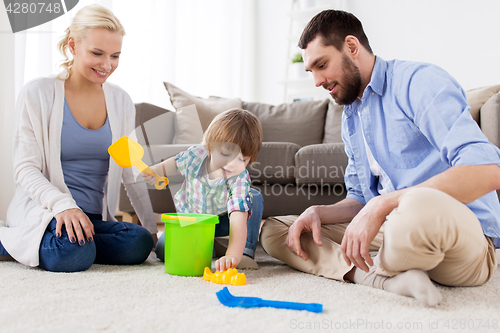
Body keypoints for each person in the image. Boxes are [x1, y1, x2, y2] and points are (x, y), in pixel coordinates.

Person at [260, 9, 500, 307]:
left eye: (322, 65)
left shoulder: (418, 82)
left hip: (458, 232)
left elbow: (488, 170)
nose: (318, 81)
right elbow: (361, 198)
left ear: (351, 46)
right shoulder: (351, 116)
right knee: (277, 231)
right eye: (311, 71)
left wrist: (384, 203)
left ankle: (379, 266)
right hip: (393, 226)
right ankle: (386, 278)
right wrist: (319, 212)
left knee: (413, 210)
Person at [0, 4, 156, 272]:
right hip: (47, 212)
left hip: (93, 219)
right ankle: (10, 240)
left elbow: (130, 170)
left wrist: (151, 230)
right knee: (74, 253)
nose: (107, 65)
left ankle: (74, 243)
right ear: (72, 45)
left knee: (138, 242)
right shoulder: (38, 93)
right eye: (97, 53)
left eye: (115, 56)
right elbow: (24, 168)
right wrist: (64, 207)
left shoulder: (121, 101)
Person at [145, 108, 264, 271]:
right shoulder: (196, 155)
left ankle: (245, 252)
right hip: (192, 220)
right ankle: (211, 246)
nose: (231, 164)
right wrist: (156, 171)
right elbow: (174, 164)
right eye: (225, 154)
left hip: (223, 221)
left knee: (253, 197)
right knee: (163, 250)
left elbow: (238, 220)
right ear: (209, 147)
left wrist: (233, 255)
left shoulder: (239, 176)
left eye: (242, 159)